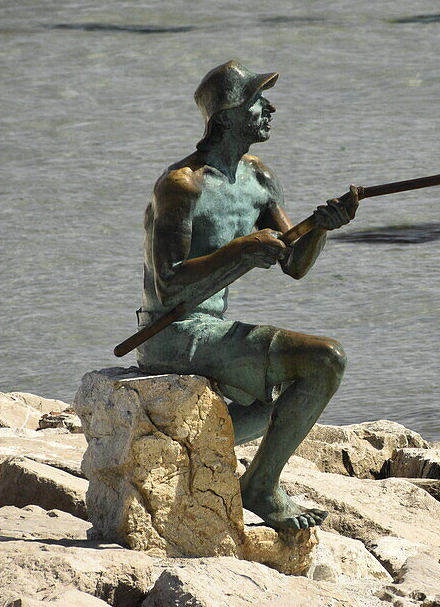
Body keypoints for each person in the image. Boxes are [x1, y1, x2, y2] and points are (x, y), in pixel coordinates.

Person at [135, 60, 357, 530]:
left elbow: (294, 263)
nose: (270, 108)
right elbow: (169, 280)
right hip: (171, 332)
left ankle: (213, 456)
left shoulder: (258, 178)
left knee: (315, 372)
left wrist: (322, 226)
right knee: (325, 359)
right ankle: (260, 488)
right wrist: (239, 249)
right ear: (230, 114)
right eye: (258, 101)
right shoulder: (181, 185)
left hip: (212, 329)